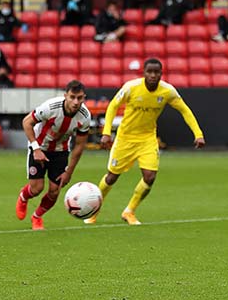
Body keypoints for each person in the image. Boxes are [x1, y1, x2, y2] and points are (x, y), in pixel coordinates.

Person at [84, 58, 205, 226]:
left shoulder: (167, 91)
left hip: (147, 139)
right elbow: (112, 106)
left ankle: (129, 211)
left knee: (150, 177)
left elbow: (185, 110)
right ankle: (94, 211)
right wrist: (106, 132)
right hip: (125, 138)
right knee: (112, 177)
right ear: (144, 73)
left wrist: (198, 134)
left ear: (161, 74)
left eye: (157, 72)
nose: (153, 75)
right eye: (150, 72)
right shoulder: (131, 87)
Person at [15, 80, 91, 230]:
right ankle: (24, 197)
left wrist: (69, 171)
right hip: (40, 146)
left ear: (84, 97)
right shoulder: (50, 107)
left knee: (55, 191)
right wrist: (36, 149)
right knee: (36, 189)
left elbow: (80, 145)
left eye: (80, 98)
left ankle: (37, 216)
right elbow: (26, 122)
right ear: (65, 96)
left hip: (60, 151)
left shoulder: (85, 116)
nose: (76, 102)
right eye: (72, 97)